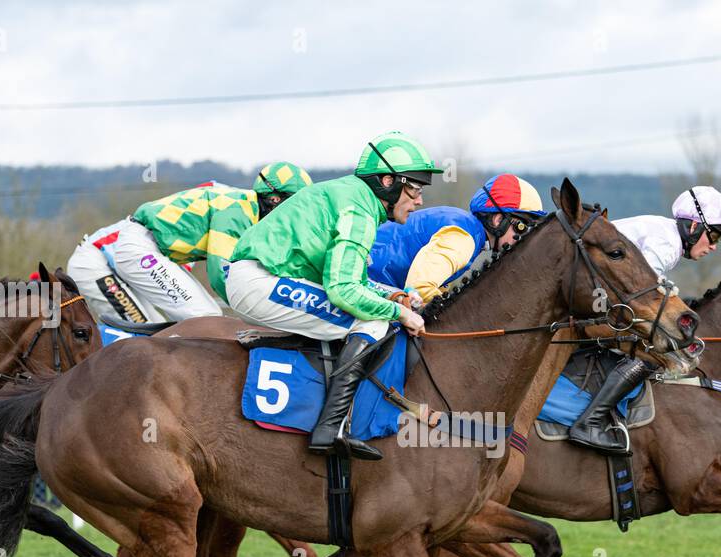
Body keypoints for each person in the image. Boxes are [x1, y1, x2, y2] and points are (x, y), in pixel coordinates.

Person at [224, 131, 435, 461]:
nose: (420, 201)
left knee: (377, 312)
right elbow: (343, 291)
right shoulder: (360, 211)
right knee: (376, 323)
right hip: (258, 280)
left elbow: (351, 280)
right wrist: (401, 314)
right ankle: (331, 428)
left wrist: (394, 294)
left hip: (259, 276)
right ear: (388, 181)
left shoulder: (352, 197)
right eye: (415, 189)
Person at [567, 186, 721, 453]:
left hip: (591, 295)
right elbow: (642, 289)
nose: (715, 245)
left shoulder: (664, 231)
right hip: (588, 299)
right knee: (654, 354)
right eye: (714, 234)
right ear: (694, 226)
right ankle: (590, 421)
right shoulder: (668, 244)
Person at [67, 161, 312, 326]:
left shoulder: (243, 211)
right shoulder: (237, 211)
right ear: (273, 199)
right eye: (292, 208)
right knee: (207, 321)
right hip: (99, 261)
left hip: (139, 252)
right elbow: (220, 278)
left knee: (167, 330)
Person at [368, 173, 546, 304]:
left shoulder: (470, 231)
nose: (521, 239)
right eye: (521, 227)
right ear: (498, 220)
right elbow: (419, 289)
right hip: (366, 276)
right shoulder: (464, 238)